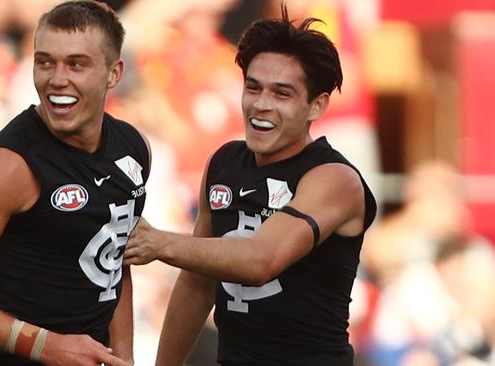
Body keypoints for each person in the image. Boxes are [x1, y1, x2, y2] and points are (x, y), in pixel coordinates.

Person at [124, 5, 377, 366]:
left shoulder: (334, 178)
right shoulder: (224, 163)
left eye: (281, 94)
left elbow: (262, 260)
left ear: (316, 107)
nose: (261, 105)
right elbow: (197, 283)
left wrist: (161, 242)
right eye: (253, 88)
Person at [0, 1, 149, 365]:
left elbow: (116, 264)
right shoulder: (6, 165)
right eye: (45, 62)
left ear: (113, 73)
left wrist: (125, 359)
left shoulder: (132, 147)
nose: (57, 79)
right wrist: (44, 345)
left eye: (76, 64)